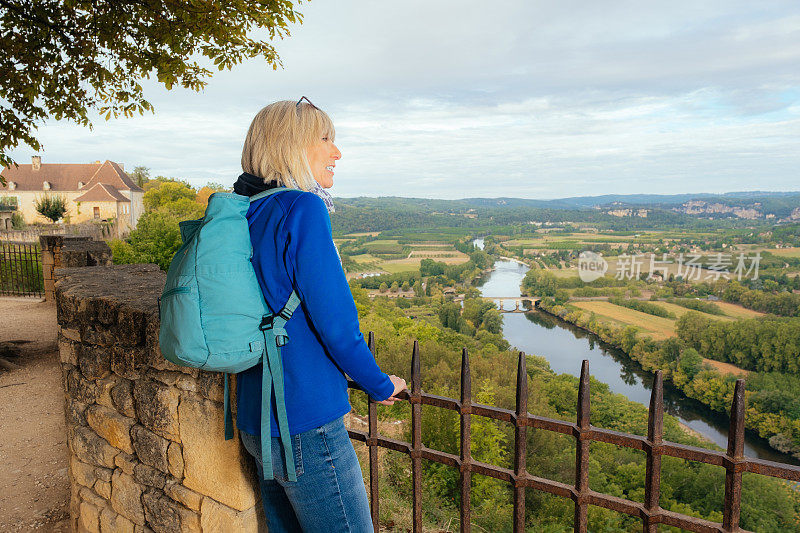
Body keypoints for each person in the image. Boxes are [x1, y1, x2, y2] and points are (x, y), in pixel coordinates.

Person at [233, 98, 406, 532]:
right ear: (292, 146)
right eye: (326, 138)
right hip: (306, 420)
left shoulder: (245, 211)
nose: (337, 152)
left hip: (256, 416)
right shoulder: (302, 209)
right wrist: (379, 383)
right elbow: (338, 325)